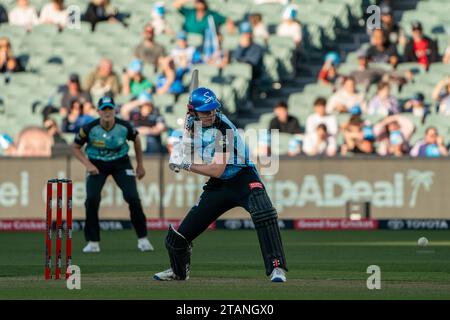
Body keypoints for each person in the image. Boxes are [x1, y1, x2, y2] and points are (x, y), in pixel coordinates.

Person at [153, 87, 288, 282]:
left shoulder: (224, 129)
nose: (210, 114)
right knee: (177, 240)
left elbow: (217, 169)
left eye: (213, 109)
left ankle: (277, 268)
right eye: (205, 111)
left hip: (243, 176)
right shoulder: (191, 122)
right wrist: (180, 149)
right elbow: (192, 148)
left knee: (264, 213)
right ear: (193, 111)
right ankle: (178, 271)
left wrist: (185, 164)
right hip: (218, 185)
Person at [72, 96, 154, 253]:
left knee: (133, 198)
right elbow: (75, 147)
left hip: (121, 163)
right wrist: (88, 165)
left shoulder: (124, 127)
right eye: (104, 109)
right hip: (97, 164)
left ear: (115, 110)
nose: (107, 112)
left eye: (110, 109)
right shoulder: (90, 128)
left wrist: (140, 165)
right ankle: (93, 242)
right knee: (92, 200)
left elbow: (136, 140)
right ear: (98, 111)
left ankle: (143, 239)